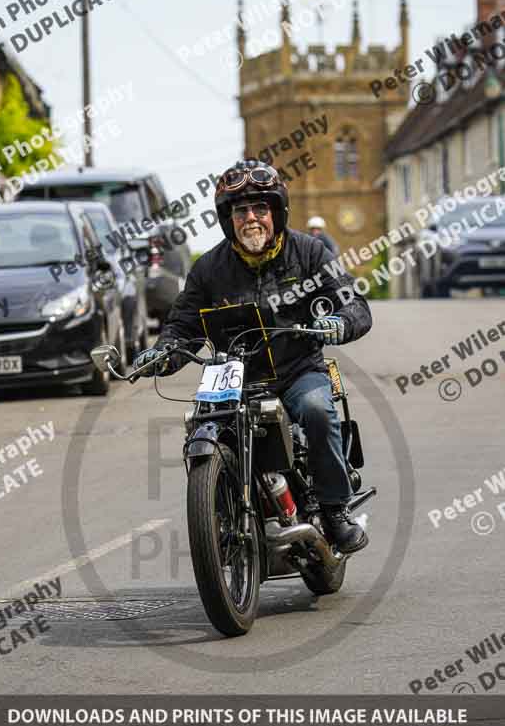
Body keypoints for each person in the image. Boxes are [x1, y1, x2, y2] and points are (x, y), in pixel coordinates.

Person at [134, 160, 372, 554]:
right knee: (199, 425)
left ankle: (333, 510)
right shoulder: (208, 269)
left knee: (315, 408)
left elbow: (355, 305)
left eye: (260, 208)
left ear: (275, 212)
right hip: (233, 379)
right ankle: (220, 511)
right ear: (228, 219)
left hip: (298, 371)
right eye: (240, 211)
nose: (251, 218)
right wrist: (161, 353)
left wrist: (339, 323)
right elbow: (183, 327)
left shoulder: (309, 252)